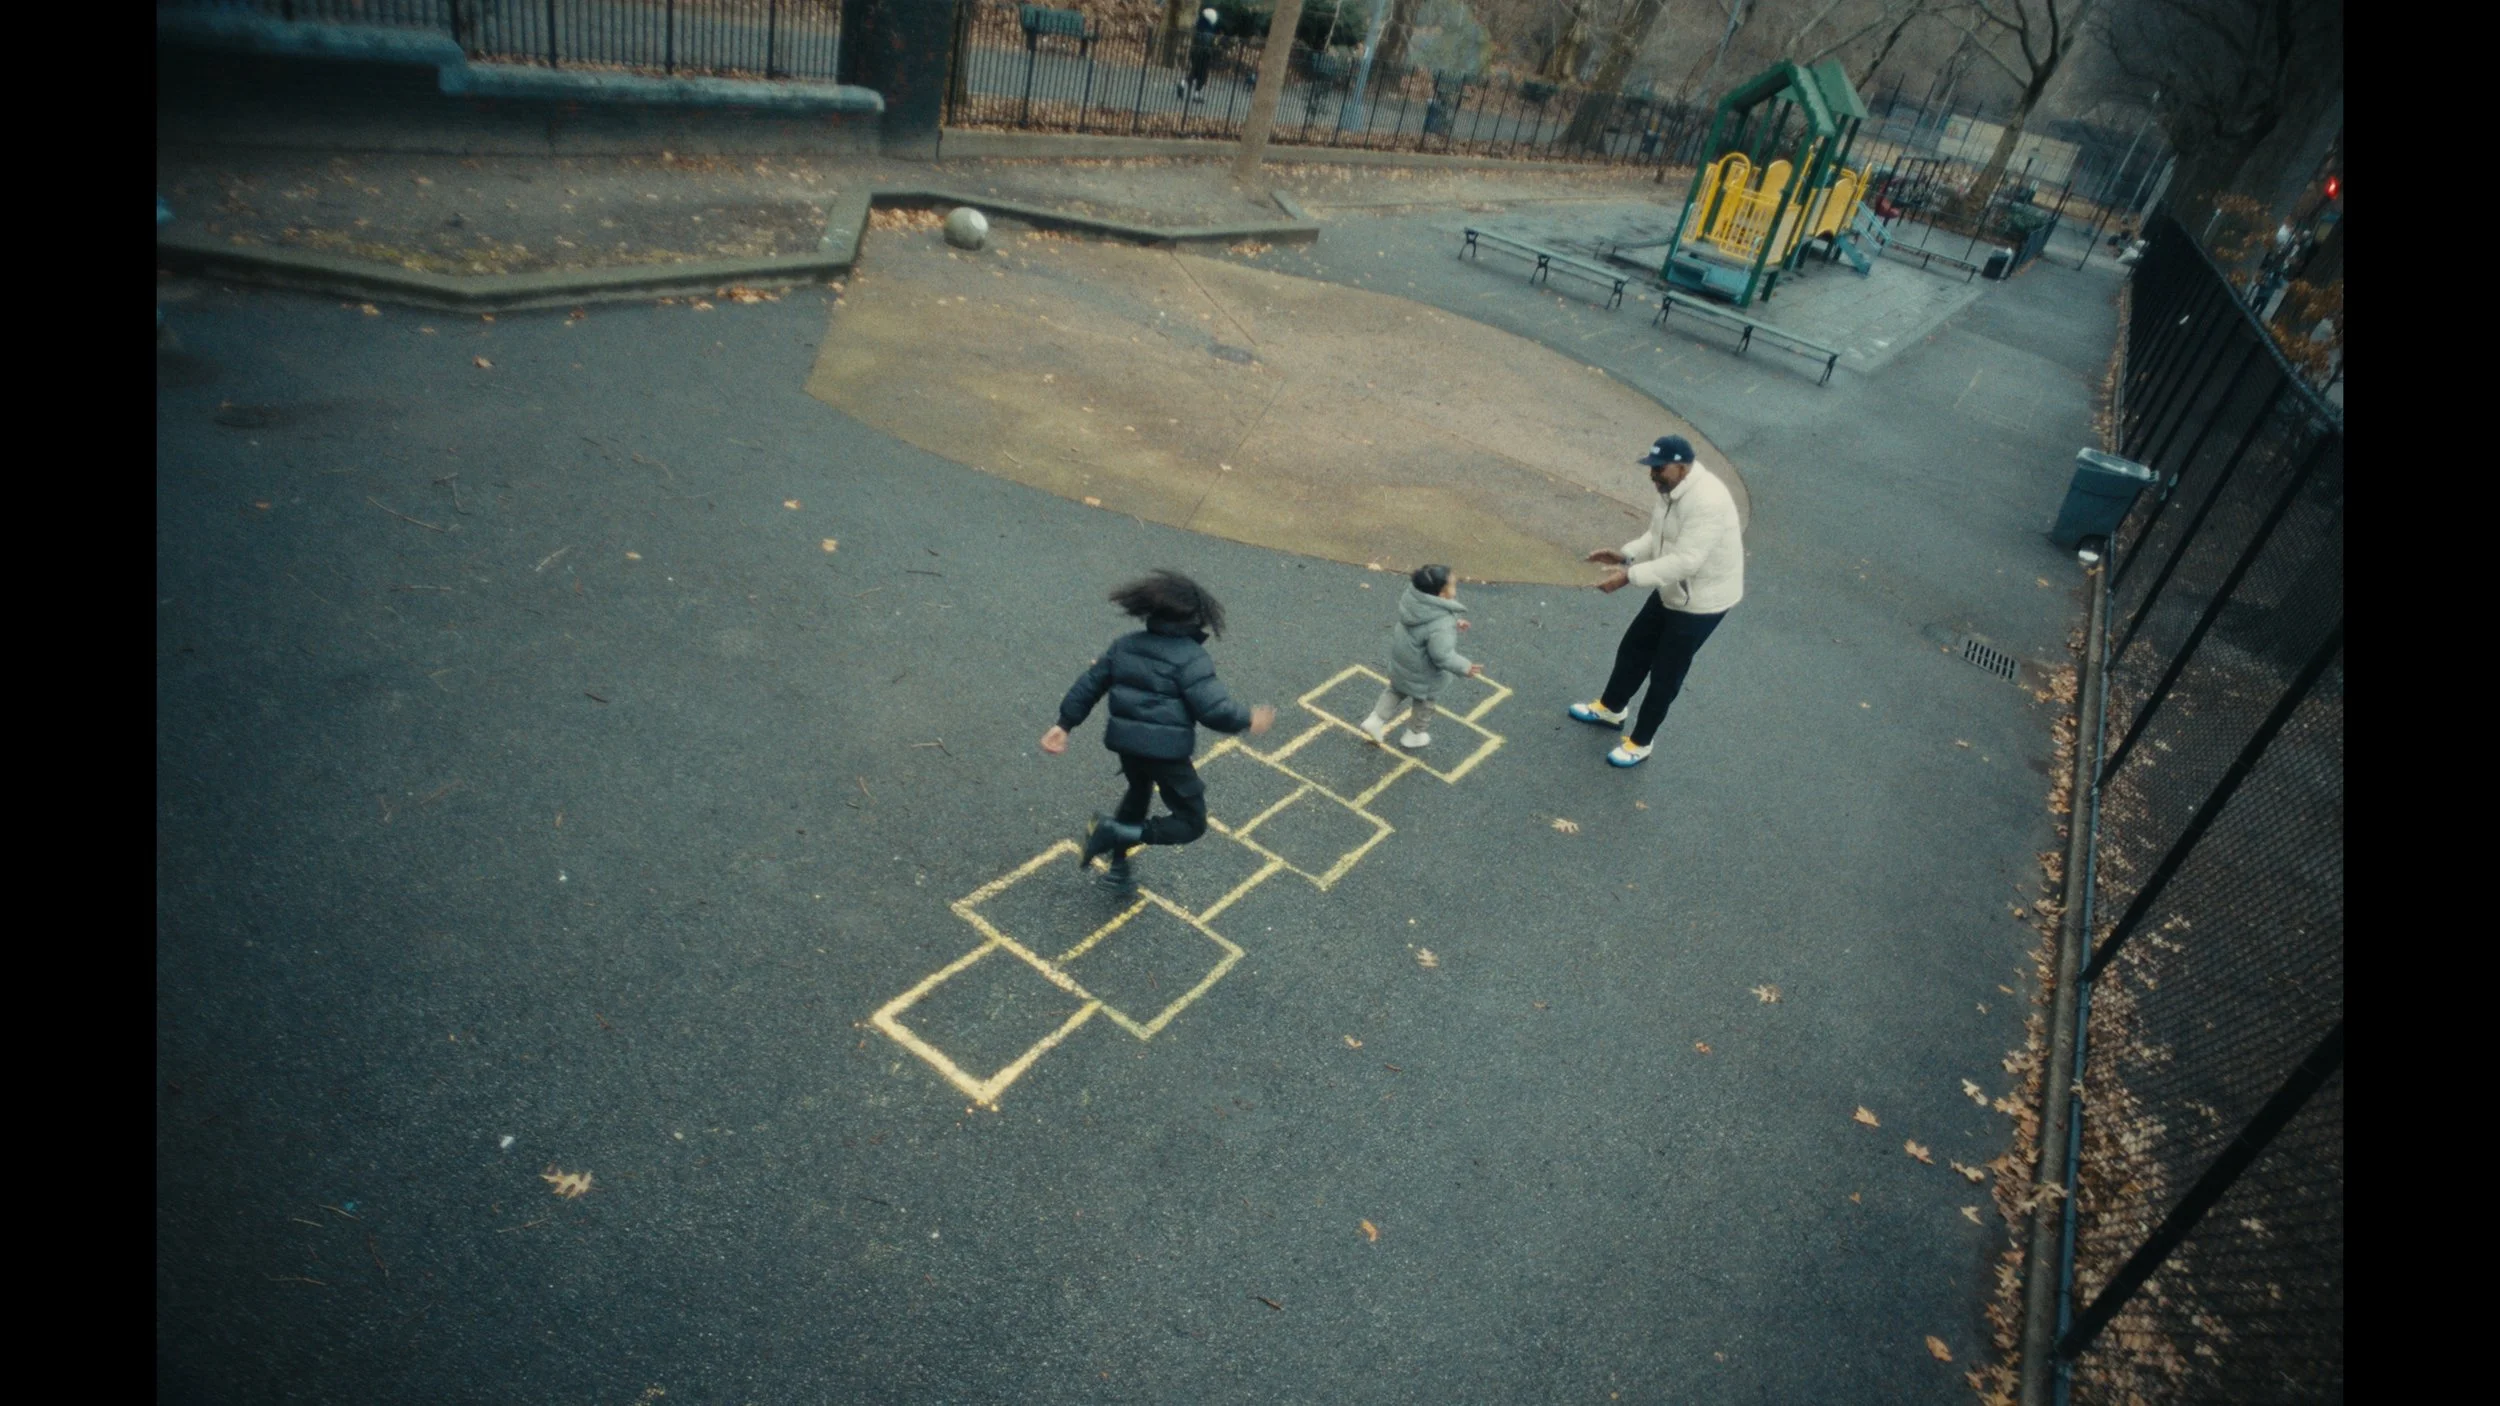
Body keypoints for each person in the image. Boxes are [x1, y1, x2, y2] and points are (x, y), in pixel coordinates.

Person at [1043, 569, 1275, 890]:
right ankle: (1114, 833)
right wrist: (1248, 719)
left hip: (1128, 746)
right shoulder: (1192, 658)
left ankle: (1118, 867)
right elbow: (1213, 710)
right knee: (1191, 823)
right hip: (1166, 753)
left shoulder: (1125, 645)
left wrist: (1064, 724)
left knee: (1137, 794)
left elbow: (1089, 685)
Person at [1568, 434, 1744, 768]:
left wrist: (1629, 576)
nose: (1652, 474)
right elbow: (1657, 537)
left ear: (1682, 467)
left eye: (1659, 468)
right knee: (1634, 647)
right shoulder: (1670, 490)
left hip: (1700, 602)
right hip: (1672, 586)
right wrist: (1626, 556)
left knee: (1665, 673)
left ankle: (1641, 742)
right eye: (1651, 467)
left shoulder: (1707, 502)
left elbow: (1687, 561)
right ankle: (1611, 709)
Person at [1359, 563, 1483, 749]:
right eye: (1452, 585)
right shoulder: (1441, 625)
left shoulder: (1413, 600)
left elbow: (1428, 619)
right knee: (1425, 703)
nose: (1455, 586)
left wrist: (1454, 622)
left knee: (1395, 690)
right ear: (1442, 594)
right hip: (1424, 674)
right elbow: (1442, 655)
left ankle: (1375, 720)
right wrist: (1464, 667)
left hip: (1403, 661)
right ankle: (1414, 736)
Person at [1186, 8, 1219, 102]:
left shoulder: (1198, 25)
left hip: (1194, 52)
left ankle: (1183, 84)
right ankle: (1196, 95)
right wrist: (1211, 51)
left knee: (1194, 72)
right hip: (1203, 55)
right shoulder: (1208, 30)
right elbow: (1207, 44)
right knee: (1202, 76)